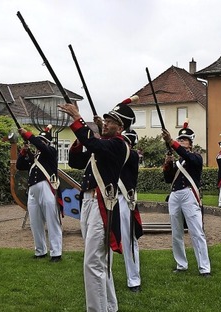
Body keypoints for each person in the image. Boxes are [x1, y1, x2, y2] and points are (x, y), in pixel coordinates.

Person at [59, 96, 135, 312]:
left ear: (120, 128)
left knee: (93, 263)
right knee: (99, 263)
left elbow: (93, 143)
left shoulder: (119, 145)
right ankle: (110, 307)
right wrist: (86, 134)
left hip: (102, 205)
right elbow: (76, 161)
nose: (105, 122)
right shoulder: (104, 146)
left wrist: (77, 118)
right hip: (89, 203)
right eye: (106, 119)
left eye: (110, 121)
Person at [162, 120, 211, 277]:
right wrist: (168, 164)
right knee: (176, 233)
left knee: (196, 231)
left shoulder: (195, 158)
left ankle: (204, 268)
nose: (182, 142)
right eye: (180, 139)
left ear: (190, 143)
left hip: (190, 195)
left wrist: (171, 142)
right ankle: (181, 264)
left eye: (184, 140)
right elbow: (168, 179)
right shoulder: (178, 162)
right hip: (175, 195)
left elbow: (186, 156)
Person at [16, 125, 63, 262]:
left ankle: (56, 253)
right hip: (33, 189)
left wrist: (28, 135)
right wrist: (24, 152)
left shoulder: (51, 151)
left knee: (52, 220)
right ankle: (40, 250)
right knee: (35, 221)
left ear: (47, 143)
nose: (39, 143)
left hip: (47, 187)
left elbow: (41, 146)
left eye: (42, 141)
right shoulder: (35, 156)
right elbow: (20, 166)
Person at [118, 129, 143, 292]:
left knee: (128, 240)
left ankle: (134, 279)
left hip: (123, 198)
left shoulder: (132, 155)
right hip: (105, 198)